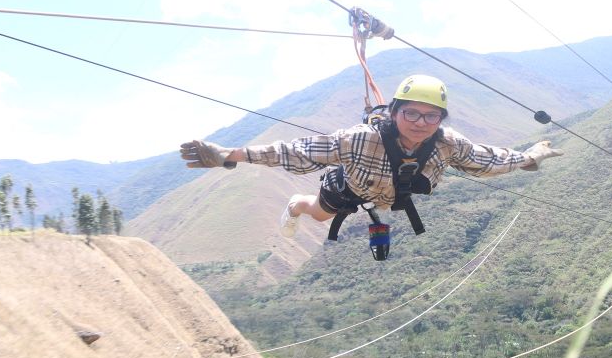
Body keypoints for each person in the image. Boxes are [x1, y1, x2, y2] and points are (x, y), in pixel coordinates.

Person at [180, 74, 563, 238]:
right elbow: (295, 151)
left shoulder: (447, 143)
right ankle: (295, 207)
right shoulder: (360, 139)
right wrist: (228, 154)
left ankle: (310, 207)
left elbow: (489, 160)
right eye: (410, 112)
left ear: (441, 119)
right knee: (318, 214)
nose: (420, 122)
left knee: (361, 209)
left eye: (431, 115)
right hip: (348, 189)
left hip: (394, 196)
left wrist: (530, 156)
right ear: (395, 112)